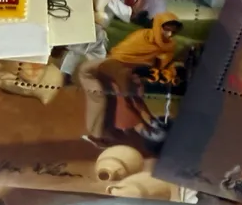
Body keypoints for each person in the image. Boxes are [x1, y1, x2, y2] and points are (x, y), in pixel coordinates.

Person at [78, 11, 183, 146]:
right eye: (166, 30)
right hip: (92, 73)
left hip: (119, 70)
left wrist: (169, 75)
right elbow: (129, 99)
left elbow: (161, 67)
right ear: (158, 26)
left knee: (128, 96)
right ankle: (97, 137)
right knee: (104, 101)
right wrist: (144, 126)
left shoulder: (168, 45)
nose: (169, 35)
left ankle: (118, 130)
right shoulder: (140, 39)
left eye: (173, 32)